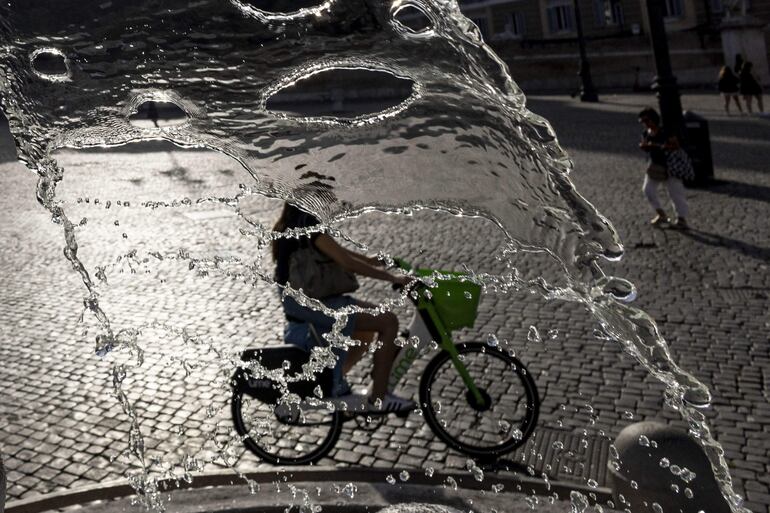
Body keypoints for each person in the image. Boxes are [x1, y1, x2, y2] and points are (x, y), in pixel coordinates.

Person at [272, 202, 416, 412]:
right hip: (311, 302)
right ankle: (380, 398)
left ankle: (334, 381)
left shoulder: (294, 221)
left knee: (365, 332)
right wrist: (391, 277)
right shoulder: (308, 223)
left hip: (303, 300)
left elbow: (335, 251)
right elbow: (345, 262)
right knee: (388, 321)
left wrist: (368, 260)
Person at [638, 107, 689, 229]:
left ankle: (682, 219)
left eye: (647, 121)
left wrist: (656, 145)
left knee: (675, 193)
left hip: (670, 165)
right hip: (655, 165)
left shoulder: (665, 131)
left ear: (654, 119)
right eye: (643, 122)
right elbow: (646, 144)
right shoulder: (646, 133)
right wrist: (645, 146)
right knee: (648, 190)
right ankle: (661, 214)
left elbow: (675, 145)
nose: (645, 124)